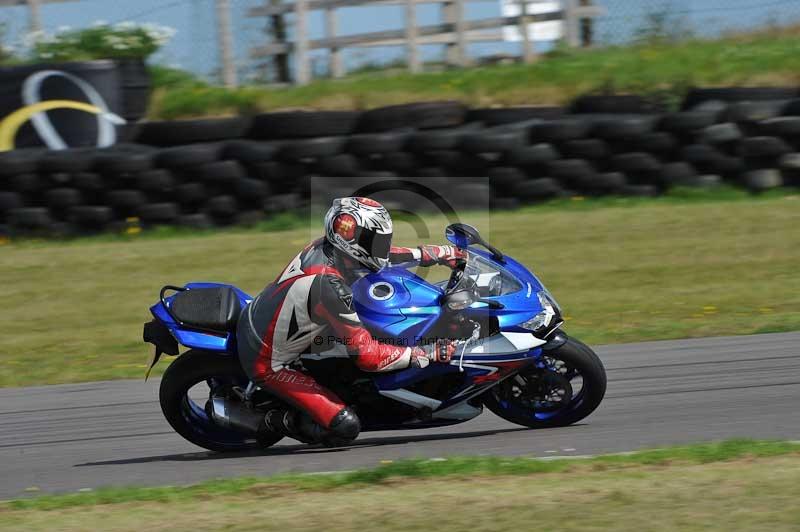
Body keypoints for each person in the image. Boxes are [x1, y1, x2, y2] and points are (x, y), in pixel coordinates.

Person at [237, 197, 466, 445]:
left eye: (381, 240)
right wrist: (426, 353)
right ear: (350, 239)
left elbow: (384, 256)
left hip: (285, 324)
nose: (381, 246)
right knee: (345, 427)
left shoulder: (328, 248)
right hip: (268, 361)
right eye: (374, 241)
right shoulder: (329, 285)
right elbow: (368, 357)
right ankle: (269, 421)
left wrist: (437, 254)